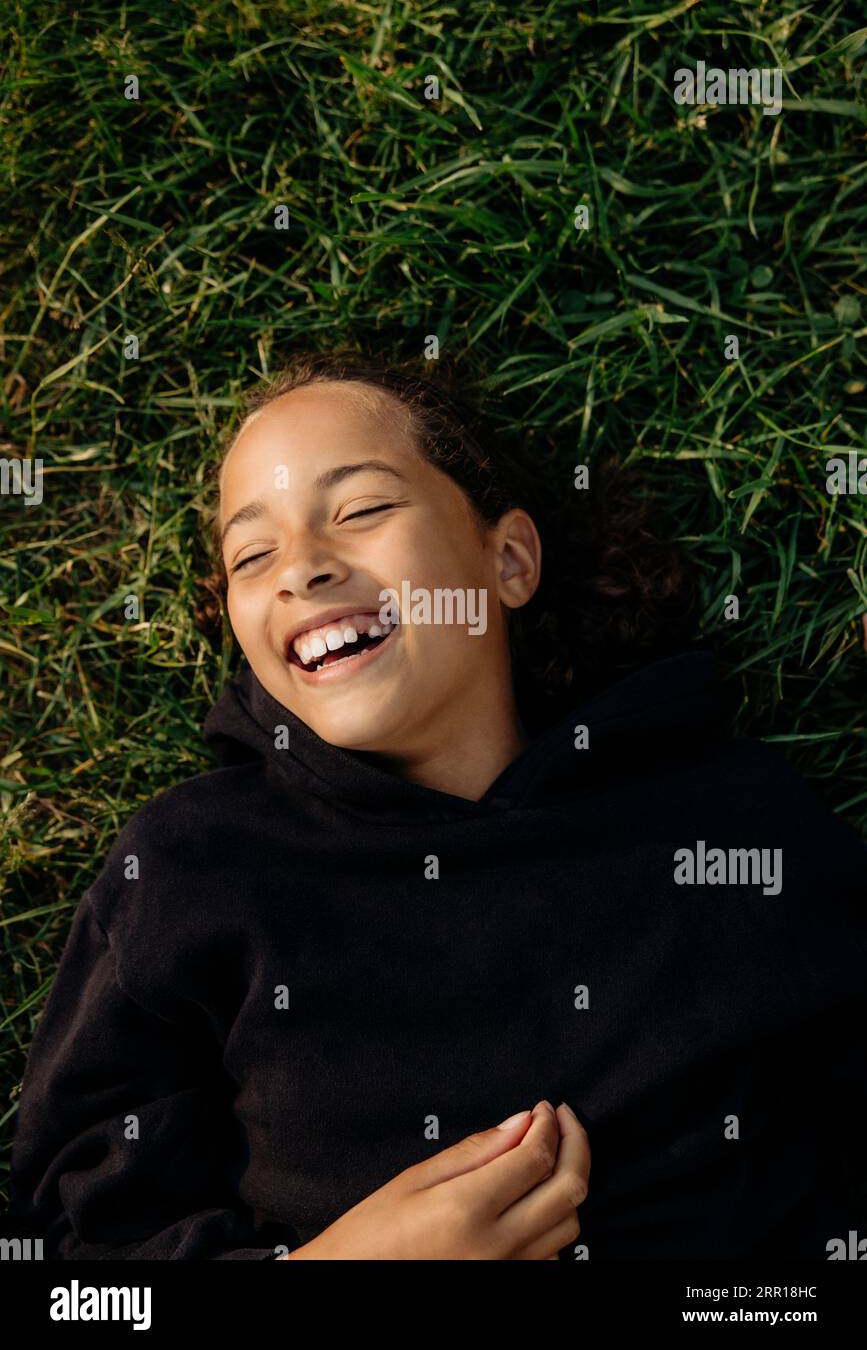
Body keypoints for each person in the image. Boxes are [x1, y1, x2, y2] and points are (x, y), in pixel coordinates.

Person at [9, 349, 867, 1260]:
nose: (301, 569)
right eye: (252, 555)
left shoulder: (732, 826)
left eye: (362, 509)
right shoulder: (191, 867)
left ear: (507, 559)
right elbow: (77, 1258)